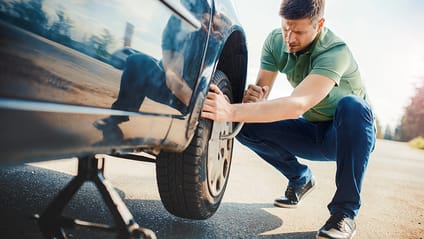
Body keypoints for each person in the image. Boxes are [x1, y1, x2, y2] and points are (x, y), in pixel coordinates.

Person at [201, 0, 376, 238]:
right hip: (311, 131)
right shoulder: (276, 41)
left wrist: (230, 110)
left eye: (299, 32)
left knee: (353, 106)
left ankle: (344, 214)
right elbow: (261, 95)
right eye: (286, 28)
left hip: (346, 134)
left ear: (320, 24)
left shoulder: (335, 52)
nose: (290, 38)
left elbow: (298, 105)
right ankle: (300, 178)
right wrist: (251, 100)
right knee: (245, 126)